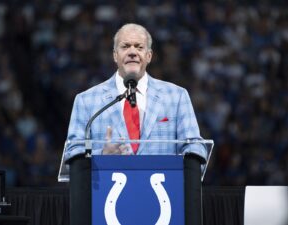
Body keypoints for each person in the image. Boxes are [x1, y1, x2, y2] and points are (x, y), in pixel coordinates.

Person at [64, 23, 207, 163]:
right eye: (125, 46)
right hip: (108, 186)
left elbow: (194, 147)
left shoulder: (176, 97)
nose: (132, 52)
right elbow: (73, 152)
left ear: (149, 56)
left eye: (139, 47)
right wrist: (102, 155)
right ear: (115, 55)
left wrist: (192, 159)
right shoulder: (86, 100)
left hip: (161, 186)